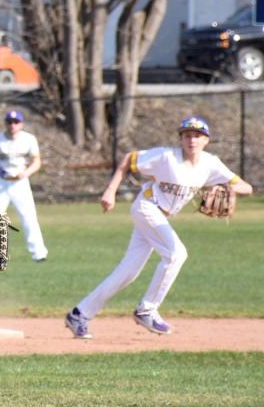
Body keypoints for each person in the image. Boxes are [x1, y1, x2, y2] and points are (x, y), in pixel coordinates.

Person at [64, 116, 253, 340]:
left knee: (127, 273)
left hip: (159, 216)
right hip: (147, 207)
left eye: (197, 135)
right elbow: (128, 160)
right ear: (180, 139)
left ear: (206, 140)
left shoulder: (210, 164)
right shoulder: (166, 157)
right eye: (186, 135)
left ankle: (79, 314)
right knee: (176, 254)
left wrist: (224, 187)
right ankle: (147, 309)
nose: (191, 140)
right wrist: (110, 191)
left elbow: (246, 187)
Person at [0, 110, 49, 262]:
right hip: (1, 183)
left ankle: (39, 253)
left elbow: (37, 162)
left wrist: (26, 173)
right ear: (6, 123)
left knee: (29, 217)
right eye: (9, 122)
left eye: (16, 122)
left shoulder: (29, 139)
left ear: (21, 124)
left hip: (20, 183)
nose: (12, 125)